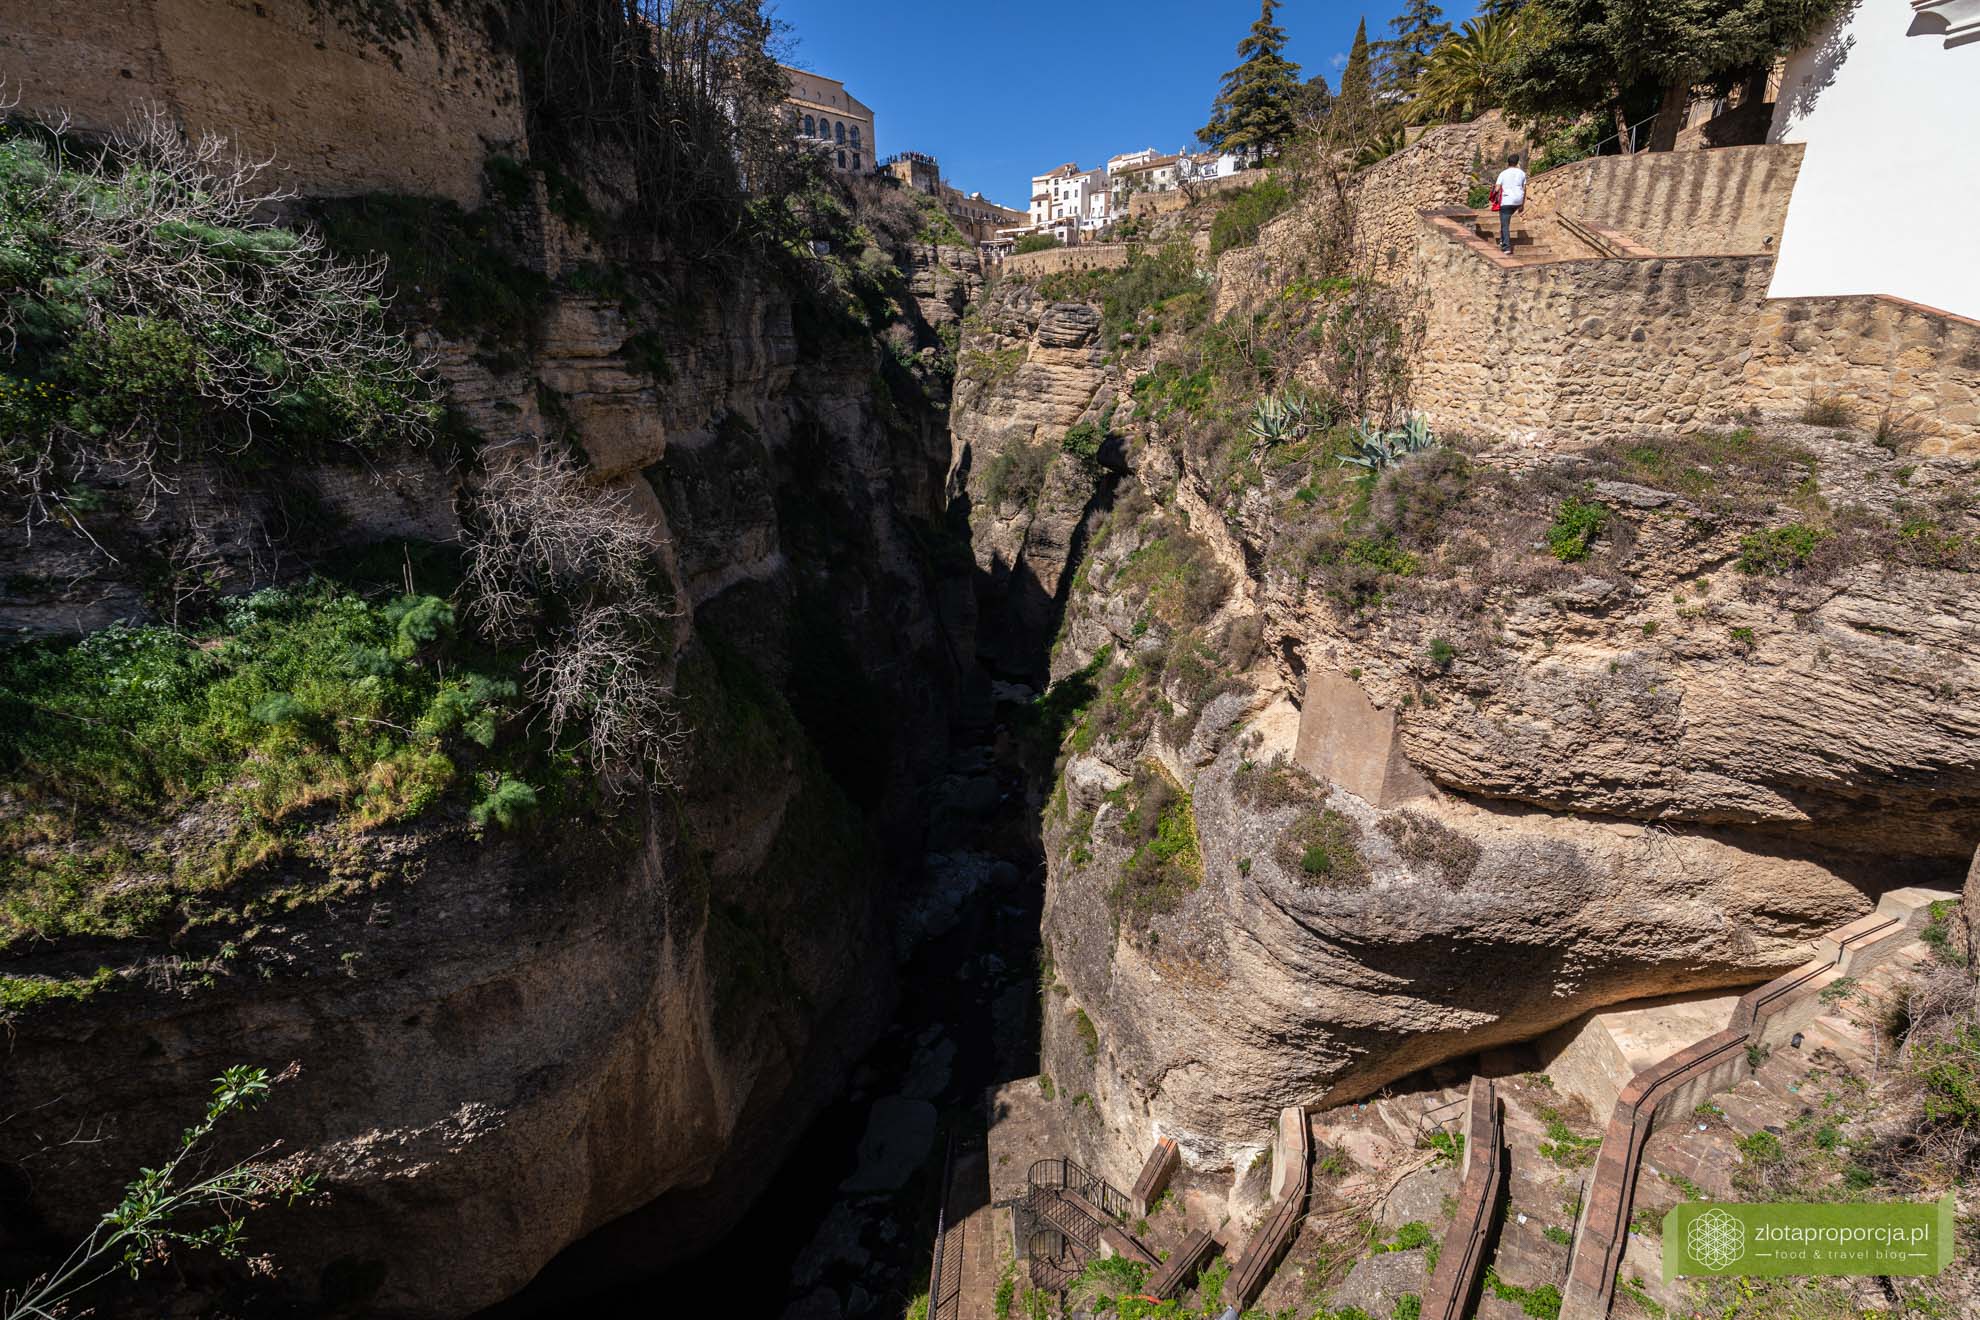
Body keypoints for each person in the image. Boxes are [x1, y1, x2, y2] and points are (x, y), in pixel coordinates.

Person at [1495, 152, 1527, 254]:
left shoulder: (1503, 173)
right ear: (1517, 163)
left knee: (1505, 224)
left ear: (1507, 163)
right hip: (1518, 201)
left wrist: (1494, 195)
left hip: (1507, 201)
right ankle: (1502, 239)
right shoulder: (1522, 173)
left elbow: (1497, 189)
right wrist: (1522, 204)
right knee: (1504, 220)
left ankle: (1506, 247)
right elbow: (1524, 188)